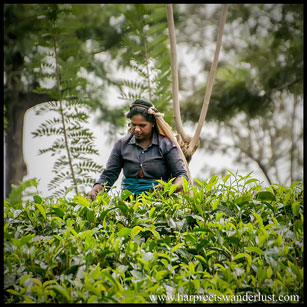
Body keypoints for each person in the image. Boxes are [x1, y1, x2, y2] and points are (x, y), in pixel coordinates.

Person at [88, 98, 189, 201]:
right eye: (133, 124)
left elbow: (182, 175)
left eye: (142, 125)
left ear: (153, 123)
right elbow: (109, 175)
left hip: (159, 203)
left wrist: (170, 188)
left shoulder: (166, 145)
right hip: (129, 205)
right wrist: (95, 190)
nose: (136, 129)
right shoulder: (122, 145)